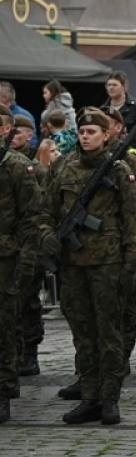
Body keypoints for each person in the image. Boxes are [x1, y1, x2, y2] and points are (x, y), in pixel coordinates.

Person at [41, 108, 136, 426]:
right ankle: (89, 396)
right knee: (83, 334)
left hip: (107, 263)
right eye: (82, 132)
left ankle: (109, 398)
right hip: (73, 264)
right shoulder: (63, 166)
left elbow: (132, 220)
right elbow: (46, 209)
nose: (86, 137)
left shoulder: (118, 169)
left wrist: (130, 263)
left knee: (108, 333)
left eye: (92, 132)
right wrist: (47, 236)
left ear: (106, 134)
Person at [0, 113, 44, 425]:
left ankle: (3, 391)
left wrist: (24, 260)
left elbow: (32, 217)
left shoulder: (16, 166)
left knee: (4, 327)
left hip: (7, 258)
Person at [102, 71, 136, 151]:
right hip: (108, 152)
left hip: (132, 152)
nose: (111, 88)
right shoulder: (103, 110)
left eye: (115, 85)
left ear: (124, 87)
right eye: (109, 85)